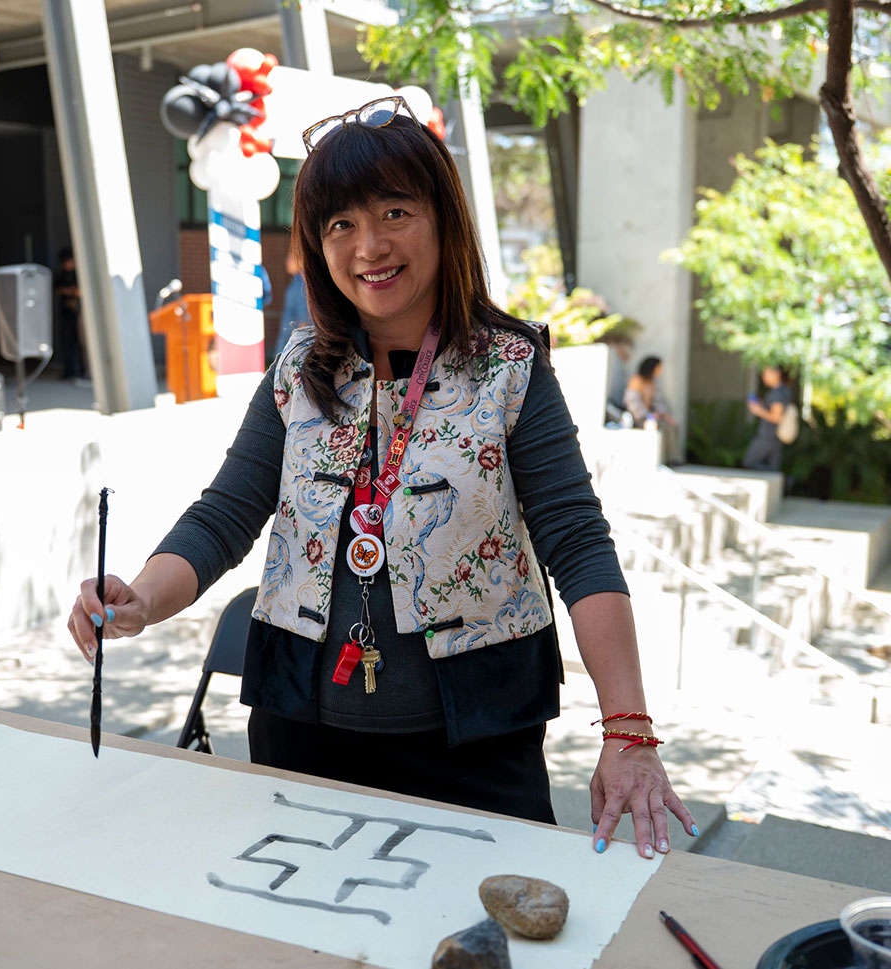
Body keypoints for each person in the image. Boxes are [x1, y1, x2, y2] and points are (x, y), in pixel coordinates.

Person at [68, 97, 695, 858]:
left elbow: (577, 541)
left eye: (394, 211)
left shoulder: (510, 366)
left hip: (477, 748)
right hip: (300, 734)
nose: (370, 245)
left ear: (442, 218)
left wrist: (628, 729)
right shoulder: (299, 367)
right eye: (340, 225)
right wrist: (140, 598)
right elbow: (225, 512)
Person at [623, 355, 679, 460]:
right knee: (662, 427)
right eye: (659, 367)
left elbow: (657, 402)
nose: (661, 370)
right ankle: (665, 459)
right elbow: (632, 403)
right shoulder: (636, 381)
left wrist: (664, 414)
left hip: (650, 416)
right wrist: (648, 415)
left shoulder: (651, 382)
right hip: (638, 418)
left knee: (672, 425)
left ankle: (672, 458)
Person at [742, 365, 792, 471]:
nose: (764, 377)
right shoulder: (784, 390)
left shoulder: (777, 393)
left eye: (766, 373)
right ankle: (784, 482)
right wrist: (762, 406)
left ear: (777, 373)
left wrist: (758, 410)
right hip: (776, 437)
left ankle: (786, 481)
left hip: (768, 436)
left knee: (749, 462)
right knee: (773, 468)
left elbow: (776, 417)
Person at [272, 248, 310, 360]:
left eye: (290, 258)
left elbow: (304, 323)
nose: (286, 262)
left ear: (301, 260)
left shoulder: (300, 285)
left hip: (292, 352)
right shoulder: (301, 282)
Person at [55, 248, 86, 381]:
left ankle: (82, 371)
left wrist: (73, 292)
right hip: (66, 313)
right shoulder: (61, 274)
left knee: (81, 343)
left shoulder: (79, 273)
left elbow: (80, 292)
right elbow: (58, 289)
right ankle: (69, 371)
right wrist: (70, 292)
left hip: (80, 314)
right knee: (67, 342)